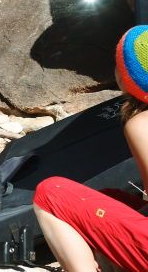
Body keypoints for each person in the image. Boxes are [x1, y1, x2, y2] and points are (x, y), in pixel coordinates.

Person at [33, 25, 148, 272]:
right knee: (110, 198)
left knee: (51, 194)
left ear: (130, 77)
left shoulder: (142, 124)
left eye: (119, 64)